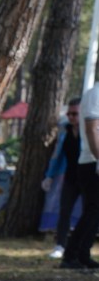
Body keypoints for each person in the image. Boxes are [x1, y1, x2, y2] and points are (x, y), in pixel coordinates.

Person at [61, 84, 99, 271]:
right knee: (92, 212)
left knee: (94, 214)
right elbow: (92, 130)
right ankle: (71, 255)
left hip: (93, 161)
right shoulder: (95, 95)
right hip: (92, 162)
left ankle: (83, 254)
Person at [44, 98, 82, 260]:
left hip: (89, 178)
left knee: (90, 213)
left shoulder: (92, 131)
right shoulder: (64, 133)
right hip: (70, 178)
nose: (71, 117)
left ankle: (81, 246)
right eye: (69, 114)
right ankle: (60, 244)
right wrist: (49, 176)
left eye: (75, 113)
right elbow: (56, 157)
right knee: (64, 211)